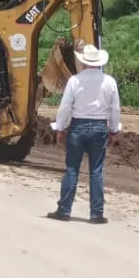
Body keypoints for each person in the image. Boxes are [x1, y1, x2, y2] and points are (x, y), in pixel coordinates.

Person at [46, 44, 121, 225]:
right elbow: (114, 109)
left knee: (72, 169)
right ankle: (96, 214)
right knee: (96, 171)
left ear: (83, 62)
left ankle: (64, 210)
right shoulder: (109, 82)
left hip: (78, 126)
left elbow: (65, 107)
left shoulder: (75, 81)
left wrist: (60, 128)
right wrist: (113, 130)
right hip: (99, 128)